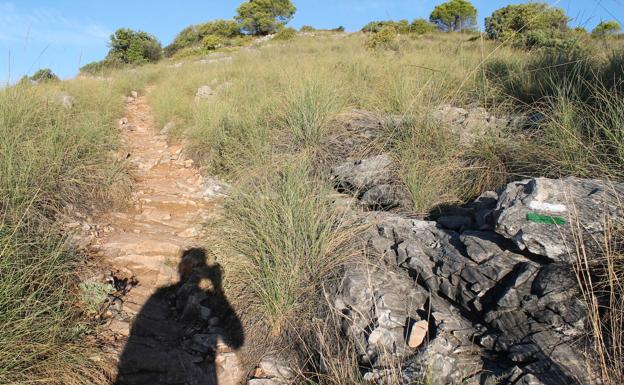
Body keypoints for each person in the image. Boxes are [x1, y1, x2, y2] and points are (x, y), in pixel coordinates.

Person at [115, 248, 244, 385]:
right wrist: (217, 287)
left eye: (195, 267)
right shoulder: (185, 296)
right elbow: (237, 341)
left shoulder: (165, 295)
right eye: (190, 267)